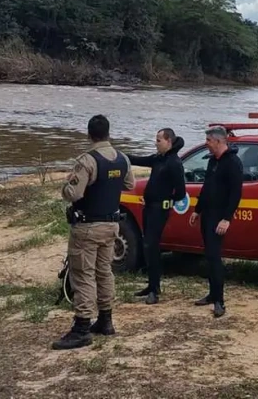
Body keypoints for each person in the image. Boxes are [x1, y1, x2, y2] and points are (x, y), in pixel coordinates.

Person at [52, 114, 135, 350]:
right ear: (109, 133)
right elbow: (129, 185)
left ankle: (81, 328)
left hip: (87, 227)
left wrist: (66, 186)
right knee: (104, 272)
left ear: (89, 134)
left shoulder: (87, 160)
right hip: (112, 226)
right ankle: (106, 320)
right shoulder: (123, 159)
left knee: (83, 275)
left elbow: (74, 194)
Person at [126, 128, 186, 304]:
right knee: (148, 246)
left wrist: (165, 201)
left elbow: (181, 192)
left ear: (169, 141)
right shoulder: (158, 159)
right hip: (149, 208)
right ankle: (152, 285)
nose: (156, 142)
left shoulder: (174, 163)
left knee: (151, 246)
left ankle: (155, 290)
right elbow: (138, 160)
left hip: (160, 210)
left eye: (159, 140)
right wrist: (120, 156)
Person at [188, 125, 243, 318]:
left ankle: (219, 301)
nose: (206, 144)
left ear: (218, 141)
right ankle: (212, 294)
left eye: (209, 141)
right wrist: (197, 210)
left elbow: (236, 194)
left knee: (214, 256)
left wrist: (227, 219)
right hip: (207, 215)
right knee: (209, 256)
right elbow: (206, 187)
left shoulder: (233, 163)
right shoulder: (213, 161)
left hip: (220, 217)